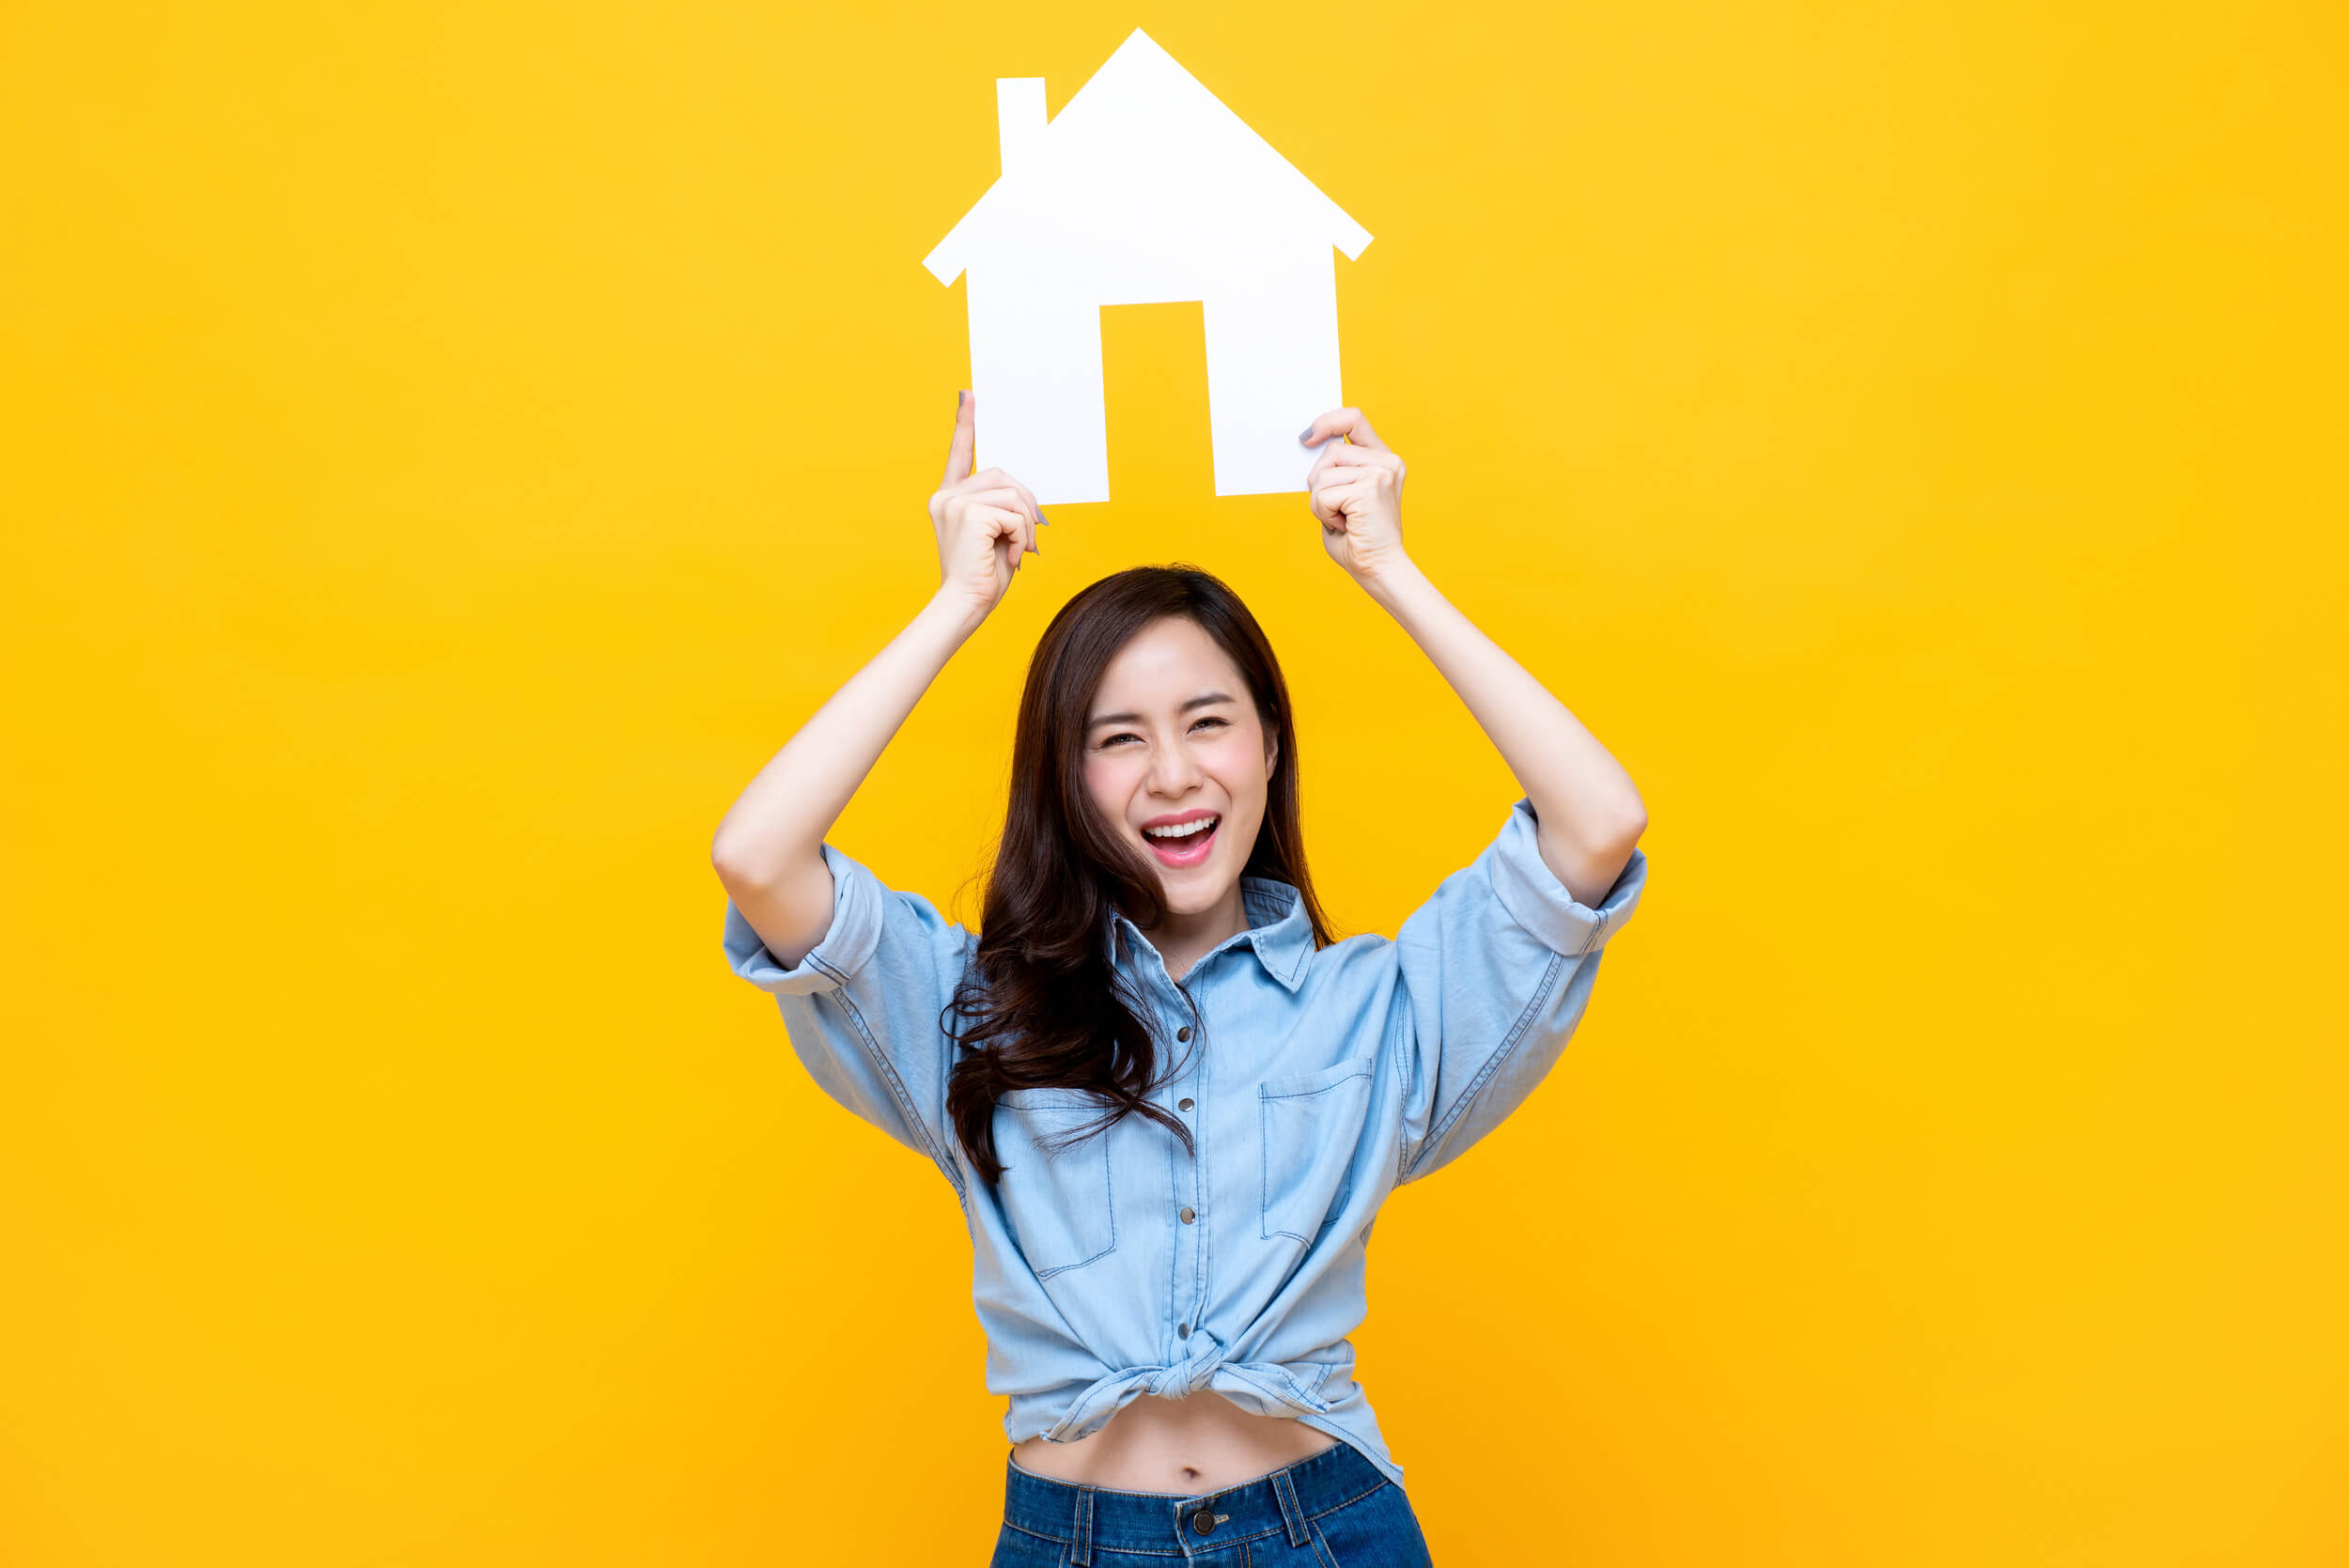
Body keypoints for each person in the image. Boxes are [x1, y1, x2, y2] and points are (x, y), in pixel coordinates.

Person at [711, 391, 1650, 1565]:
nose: (1170, 774)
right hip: (1077, 1539)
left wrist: (1391, 572)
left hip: (1329, 1529)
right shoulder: (972, 1012)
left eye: (1208, 722)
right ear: (1064, 777)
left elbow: (1600, 822)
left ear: (1266, 743)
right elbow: (757, 855)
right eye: (1116, 737)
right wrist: (959, 603)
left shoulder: (1378, 1008)